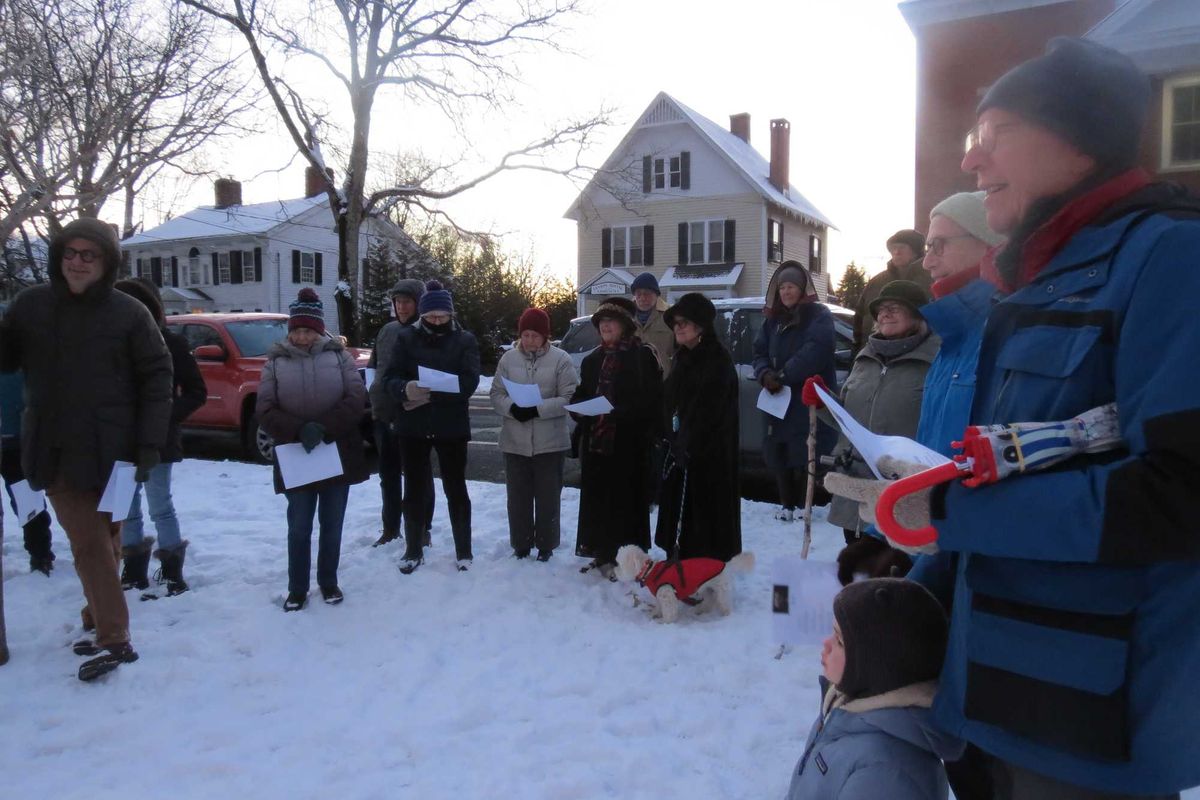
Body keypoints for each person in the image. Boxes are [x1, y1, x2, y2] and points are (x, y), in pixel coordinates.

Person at [831, 38, 1200, 798]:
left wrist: (957, 511)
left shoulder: (1171, 260)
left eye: (997, 134)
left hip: (1084, 721)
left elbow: (1180, 494)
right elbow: (1010, 466)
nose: (972, 159)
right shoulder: (1044, 281)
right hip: (988, 694)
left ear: (1079, 139)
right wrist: (917, 579)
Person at [0, 218, 173, 680]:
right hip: (54, 448)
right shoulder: (31, 306)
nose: (77, 262)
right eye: (70, 253)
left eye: (88, 255)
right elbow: (6, 358)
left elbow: (158, 378)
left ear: (106, 262)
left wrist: (148, 443)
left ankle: (94, 615)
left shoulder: (129, 314)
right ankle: (116, 640)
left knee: (111, 540)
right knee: (90, 542)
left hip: (114, 452)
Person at [785, 578, 961, 800]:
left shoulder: (886, 776)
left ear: (878, 665)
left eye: (839, 641)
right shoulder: (847, 705)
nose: (825, 644)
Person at [257, 288, 368, 611]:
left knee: (332, 524)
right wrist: (296, 429)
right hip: (296, 456)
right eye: (297, 330)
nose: (302, 336)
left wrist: (324, 426)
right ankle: (297, 587)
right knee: (300, 525)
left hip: (335, 451)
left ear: (319, 330)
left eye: (307, 330)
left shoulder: (338, 357)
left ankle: (328, 581)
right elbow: (264, 406)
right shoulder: (275, 362)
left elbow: (356, 397)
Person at [819, 280, 939, 574]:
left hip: (904, 494)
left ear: (918, 316)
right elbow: (849, 420)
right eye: (881, 310)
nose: (884, 314)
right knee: (856, 565)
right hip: (857, 487)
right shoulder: (865, 357)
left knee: (893, 576)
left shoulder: (936, 360)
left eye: (894, 308)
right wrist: (822, 403)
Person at [113, 279, 206, 597]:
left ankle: (171, 570)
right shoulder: (109, 347)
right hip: (118, 440)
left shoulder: (171, 344)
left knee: (160, 506)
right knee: (125, 506)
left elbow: (197, 392)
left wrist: (164, 416)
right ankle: (134, 568)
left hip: (159, 440)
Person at [385, 280, 480, 574]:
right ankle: (413, 548)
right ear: (422, 316)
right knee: (413, 488)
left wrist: (432, 392)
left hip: (451, 424)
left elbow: (469, 381)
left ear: (451, 315)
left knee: (455, 486)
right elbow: (389, 379)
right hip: (413, 426)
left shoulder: (465, 340)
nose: (437, 322)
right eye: (431, 317)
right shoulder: (405, 338)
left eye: (442, 317)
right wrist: (406, 389)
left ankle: (464, 549)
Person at [569, 297, 662, 578]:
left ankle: (628, 558)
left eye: (612, 322)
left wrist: (617, 412)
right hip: (597, 442)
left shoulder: (641, 356)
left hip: (628, 444)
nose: (606, 327)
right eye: (602, 323)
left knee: (625, 502)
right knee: (598, 500)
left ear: (625, 325)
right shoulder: (592, 359)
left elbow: (651, 402)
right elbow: (583, 392)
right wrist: (578, 408)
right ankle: (602, 553)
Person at [654, 292, 741, 562]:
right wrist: (667, 433)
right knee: (680, 512)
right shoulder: (683, 358)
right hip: (682, 452)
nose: (678, 327)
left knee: (704, 518)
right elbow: (670, 400)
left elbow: (711, 411)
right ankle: (679, 559)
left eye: (685, 322)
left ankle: (703, 569)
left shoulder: (716, 360)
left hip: (708, 457)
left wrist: (690, 443)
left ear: (701, 326)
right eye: (676, 322)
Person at [489, 307, 578, 561]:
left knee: (548, 497)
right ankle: (521, 543)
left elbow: (569, 397)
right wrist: (511, 408)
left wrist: (538, 410)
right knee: (517, 498)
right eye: (525, 335)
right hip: (515, 442)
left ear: (545, 336)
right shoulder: (508, 360)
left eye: (535, 335)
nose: (529, 340)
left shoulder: (561, 359)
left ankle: (546, 545)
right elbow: (496, 394)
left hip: (550, 442)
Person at [752, 261, 837, 522]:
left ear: (801, 290)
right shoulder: (772, 321)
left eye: (791, 287)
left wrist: (784, 375)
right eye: (782, 288)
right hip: (777, 398)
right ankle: (786, 504)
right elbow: (759, 351)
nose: (786, 292)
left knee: (805, 449)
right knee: (779, 450)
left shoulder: (818, 316)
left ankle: (804, 505)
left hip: (806, 397)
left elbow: (816, 349)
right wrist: (765, 373)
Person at [366, 278, 433, 549]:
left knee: (419, 477)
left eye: (407, 301)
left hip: (414, 415)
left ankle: (422, 529)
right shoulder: (387, 331)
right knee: (388, 476)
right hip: (383, 415)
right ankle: (390, 528)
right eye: (398, 302)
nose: (402, 307)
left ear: (418, 303)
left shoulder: (428, 332)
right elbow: (374, 366)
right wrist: (372, 392)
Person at [0, 371, 56, 575]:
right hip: (15, 432)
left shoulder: (18, 348)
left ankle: (40, 554)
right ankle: (40, 552)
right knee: (25, 497)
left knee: (25, 498)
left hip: (15, 436)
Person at [852, 229, 932, 353]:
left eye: (902, 247)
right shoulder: (876, 282)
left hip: (922, 358)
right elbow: (859, 320)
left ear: (916, 251)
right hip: (873, 358)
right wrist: (858, 357)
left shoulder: (932, 278)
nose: (896, 252)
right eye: (893, 248)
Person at [629, 271, 675, 377]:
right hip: (633, 382)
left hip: (663, 381)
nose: (643, 298)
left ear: (657, 294)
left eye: (647, 293)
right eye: (638, 294)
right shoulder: (625, 316)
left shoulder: (670, 315)